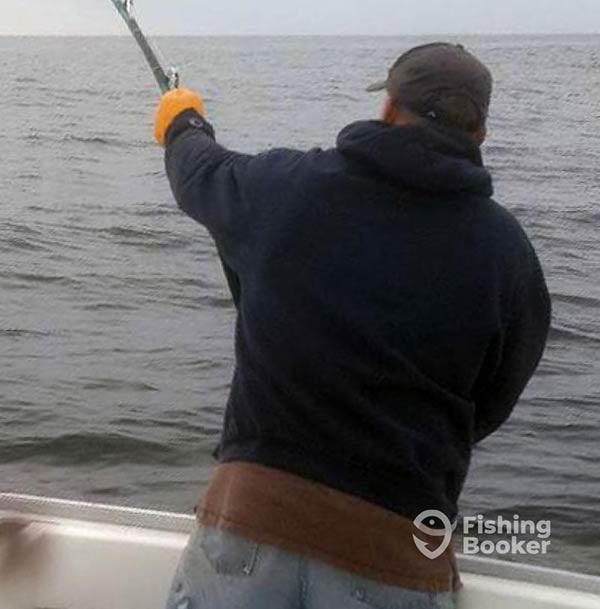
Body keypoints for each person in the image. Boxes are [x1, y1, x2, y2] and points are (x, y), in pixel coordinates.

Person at [153, 42, 550, 609]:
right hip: (400, 551)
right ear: (479, 134)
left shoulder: (287, 186)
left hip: (249, 521)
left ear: (388, 108)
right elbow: (492, 402)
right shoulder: (508, 255)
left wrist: (182, 121)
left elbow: (201, 173)